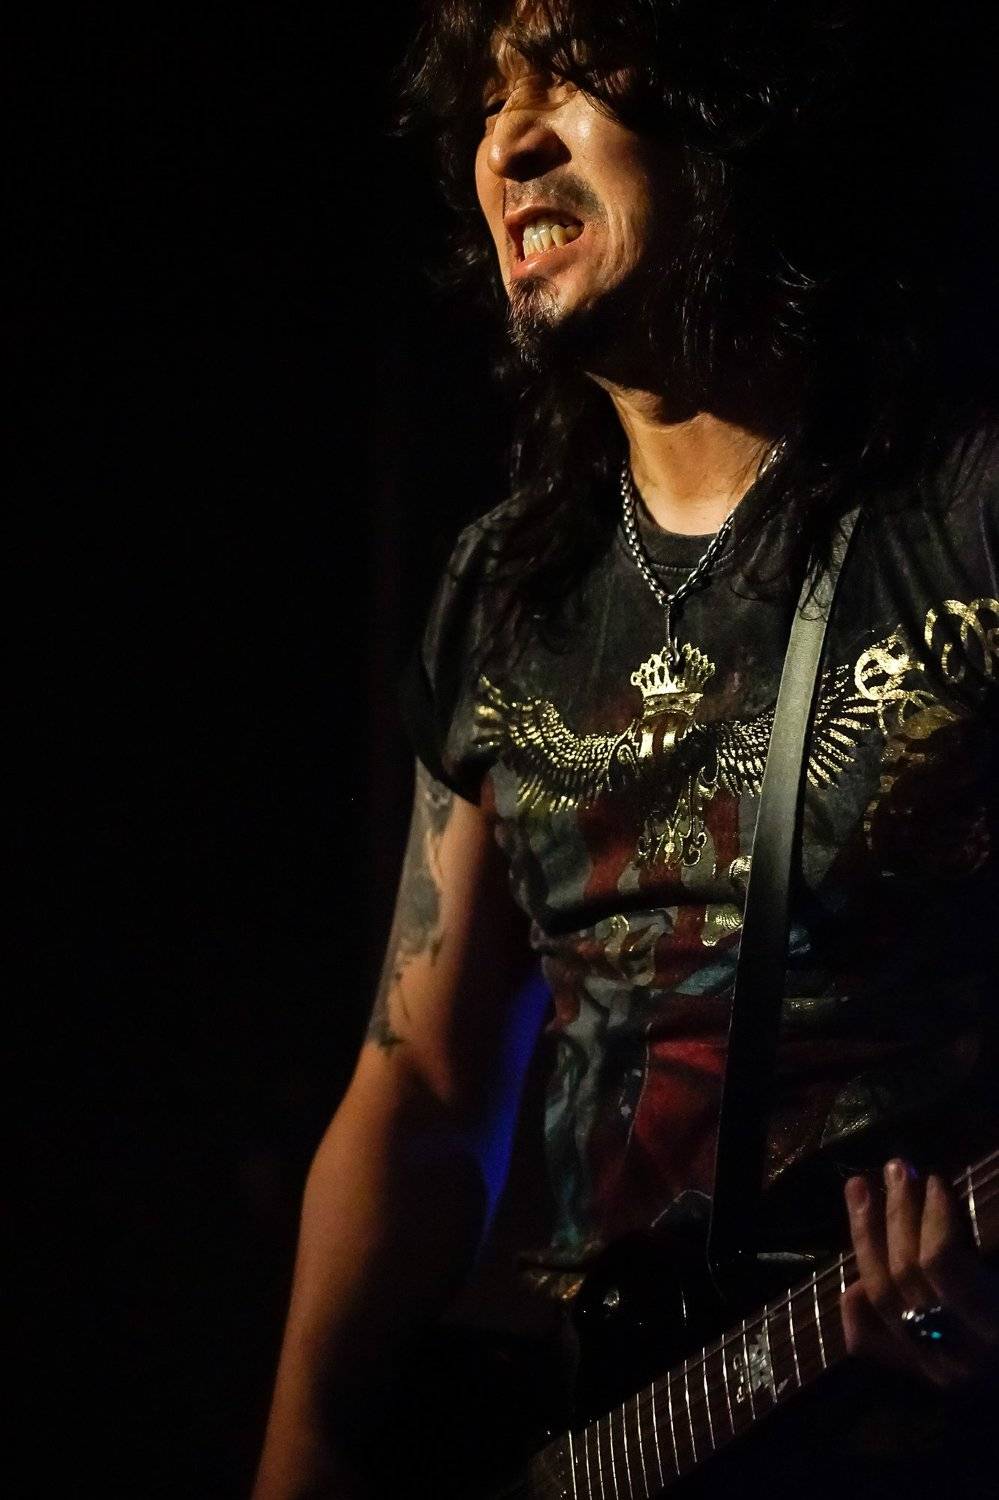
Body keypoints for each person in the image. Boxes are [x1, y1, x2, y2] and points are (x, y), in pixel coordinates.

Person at [254, 3, 999, 1495]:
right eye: (488, 99)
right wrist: (300, 1456)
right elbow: (423, 1091)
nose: (508, 140)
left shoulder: (963, 510)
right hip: (597, 1433)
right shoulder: (509, 589)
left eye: (565, 75)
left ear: (736, 102)